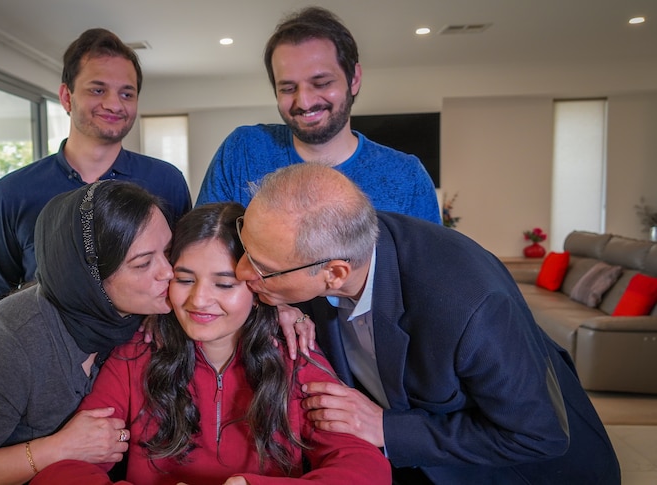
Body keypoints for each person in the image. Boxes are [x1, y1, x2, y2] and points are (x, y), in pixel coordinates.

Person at [234, 163, 621, 484]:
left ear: (335, 273)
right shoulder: (327, 246)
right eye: (245, 248)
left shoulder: (470, 306)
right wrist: (280, 302)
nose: (240, 271)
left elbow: (538, 435)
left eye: (263, 268)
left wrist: (387, 429)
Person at [30, 202, 391, 485]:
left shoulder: (296, 354)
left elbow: (366, 470)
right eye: (185, 279)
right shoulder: (134, 356)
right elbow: (63, 471)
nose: (199, 301)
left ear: (256, 286)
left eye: (224, 284)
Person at [0, 181, 175, 485]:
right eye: (143, 263)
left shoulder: (141, 314)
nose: (168, 272)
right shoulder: (9, 341)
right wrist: (59, 448)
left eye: (168, 251)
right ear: (90, 279)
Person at [0, 28, 192, 307]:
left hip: (146, 346)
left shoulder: (166, 181)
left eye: (127, 94)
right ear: (67, 97)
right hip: (50, 348)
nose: (114, 104)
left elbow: (183, 272)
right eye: (98, 90)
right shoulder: (13, 192)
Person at [195, 6, 440, 225]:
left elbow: (428, 271)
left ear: (354, 79)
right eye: (288, 88)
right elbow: (203, 251)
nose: (305, 101)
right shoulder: (243, 150)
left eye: (321, 83)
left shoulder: (408, 178)